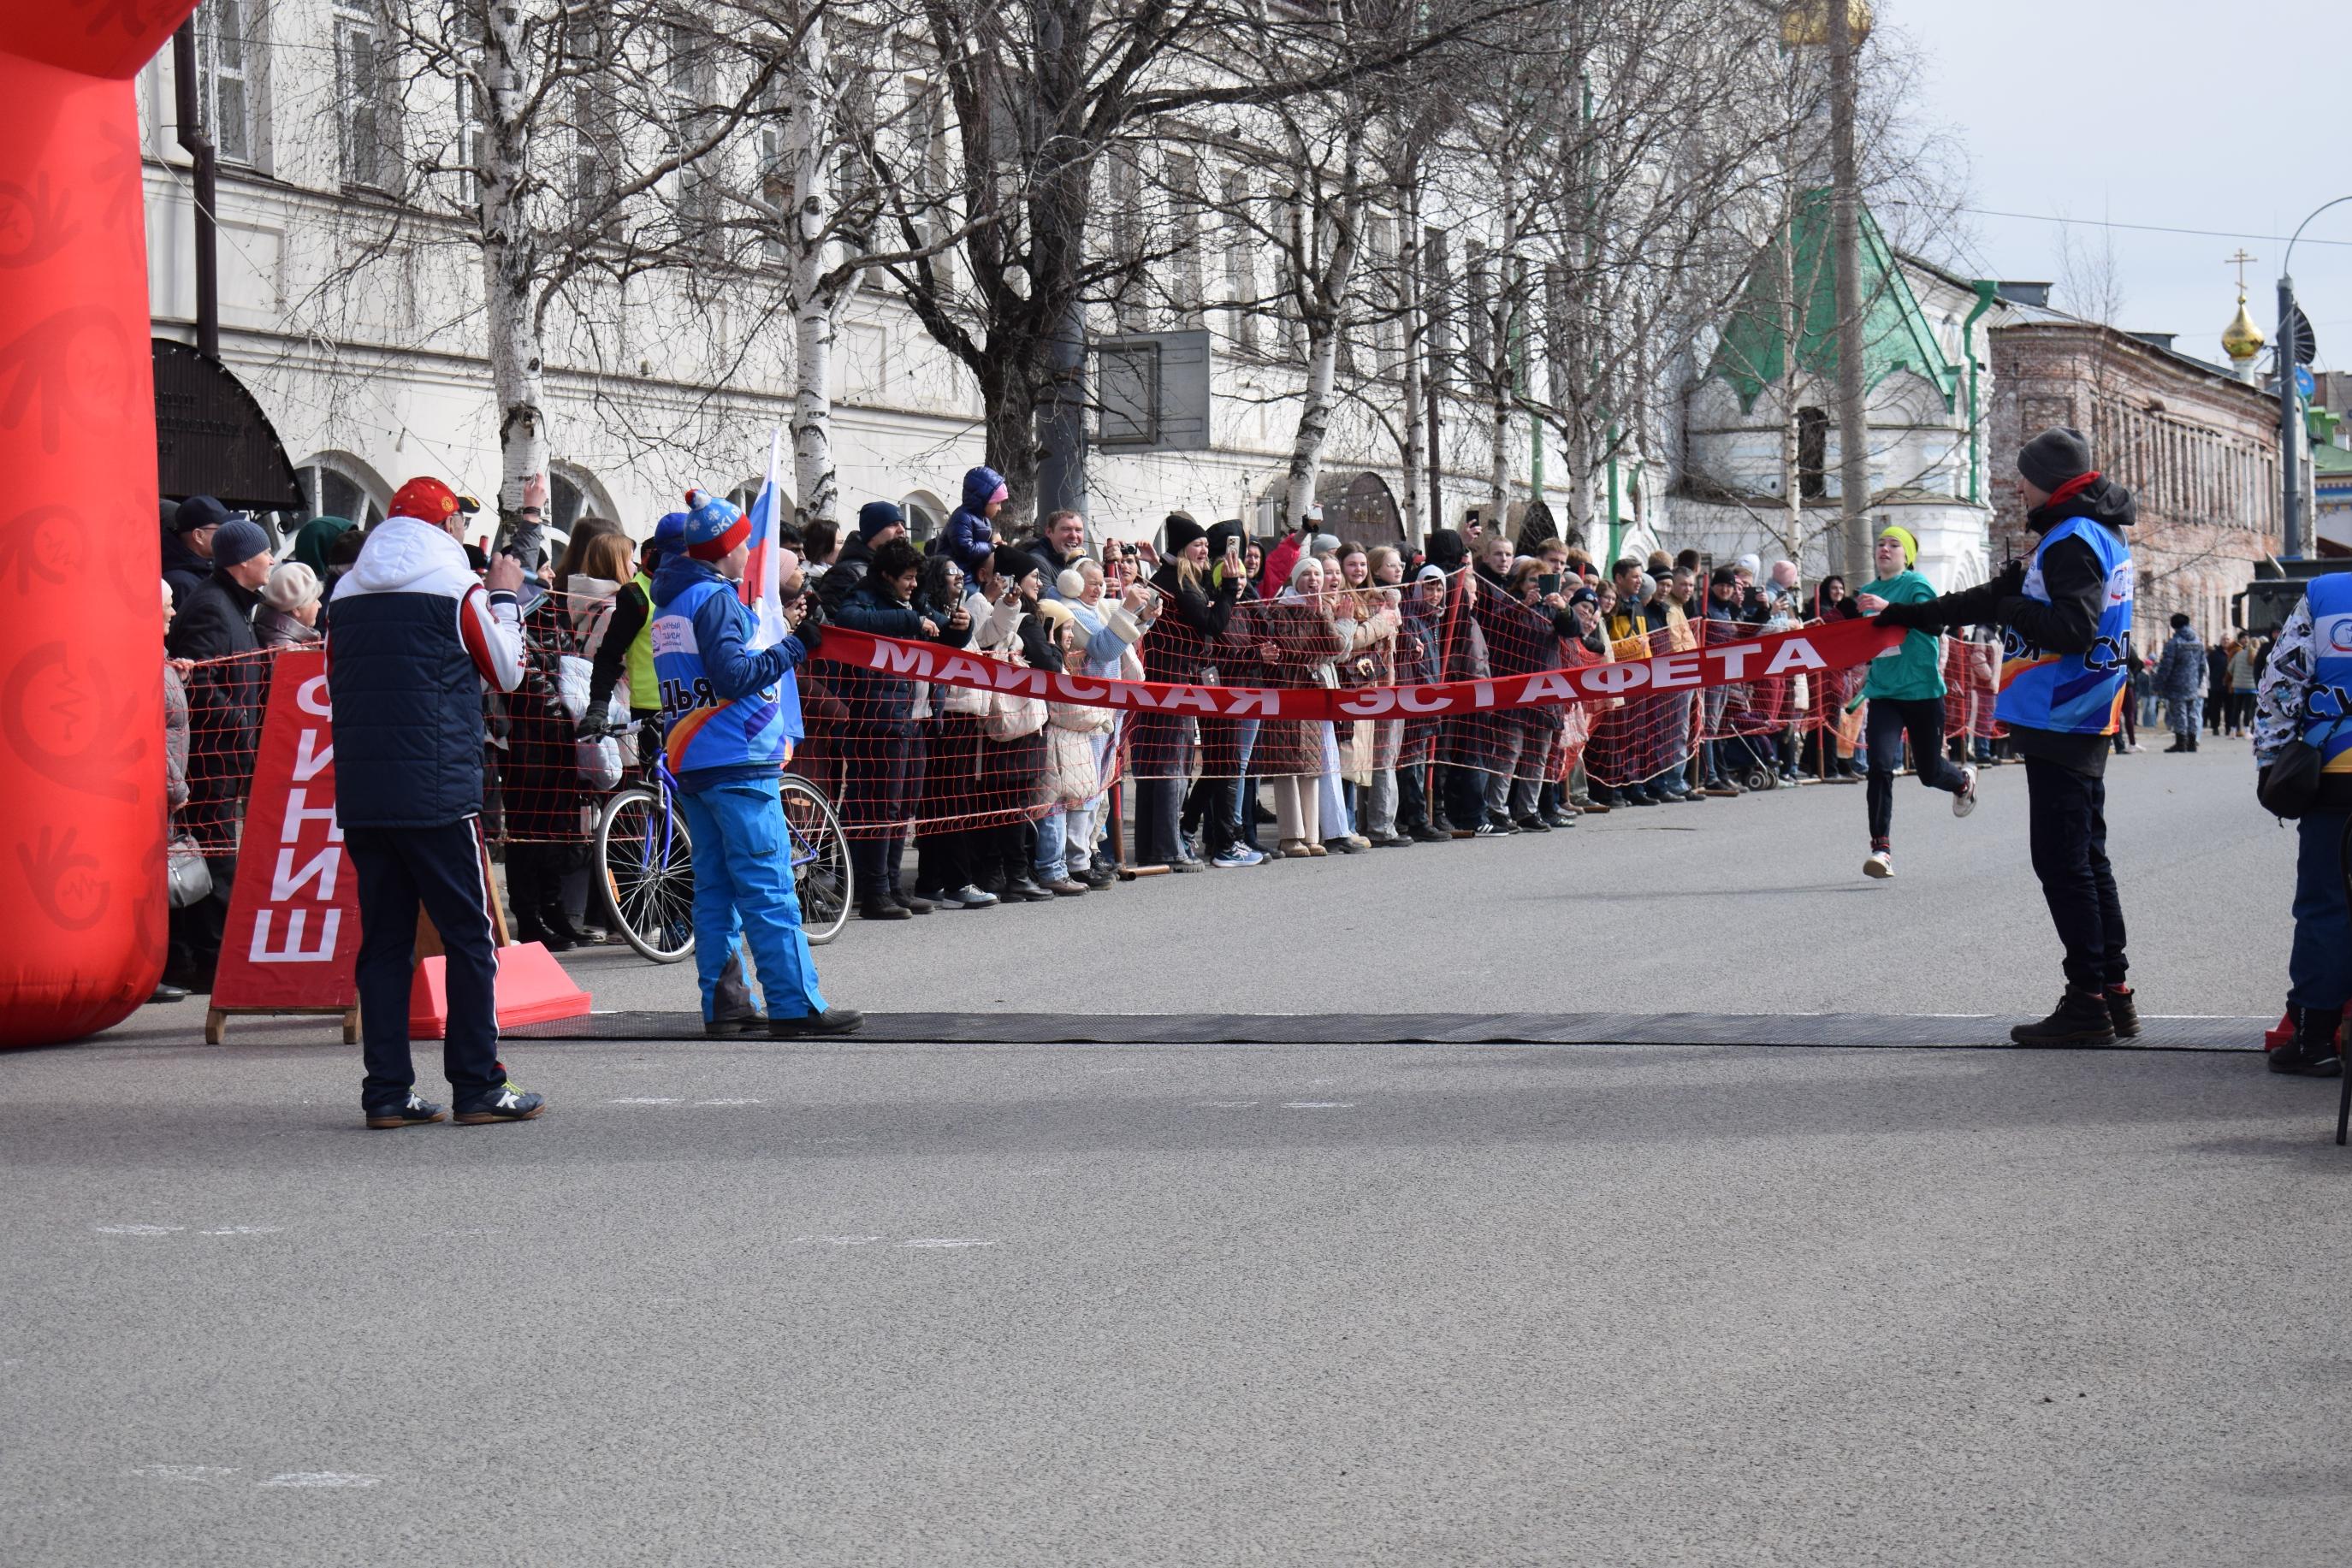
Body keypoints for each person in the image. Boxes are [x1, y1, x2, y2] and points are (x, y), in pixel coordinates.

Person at [1871, 427, 2136, 1044]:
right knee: (2087, 858)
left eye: (2022, 475)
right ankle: (2112, 992)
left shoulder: (2070, 538)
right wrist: (1914, 615)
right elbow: (1996, 595)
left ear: (2046, 478)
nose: (2017, 485)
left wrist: (2009, 608)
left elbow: (2069, 626)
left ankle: (2086, 1003)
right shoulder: (2092, 529)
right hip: (2081, 711)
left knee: (2064, 862)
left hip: (2061, 713)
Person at [326, 476, 542, 1127]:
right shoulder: (457, 588)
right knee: (469, 937)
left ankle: (387, 1091)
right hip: (441, 791)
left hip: (366, 793)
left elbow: (335, 680)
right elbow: (507, 671)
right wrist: (505, 595)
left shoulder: (344, 592)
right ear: (446, 528)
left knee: (385, 943)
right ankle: (478, 1083)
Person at [650, 494, 862, 1038]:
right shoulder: (715, 599)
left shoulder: (672, 601)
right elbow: (733, 675)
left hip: (694, 760)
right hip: (737, 761)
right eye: (743, 541)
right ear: (726, 549)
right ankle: (796, 1005)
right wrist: (794, 648)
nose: (750, 549)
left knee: (716, 890)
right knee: (769, 887)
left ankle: (726, 1006)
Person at [829, 535, 971, 918]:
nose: (913, 584)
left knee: (904, 806)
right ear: (886, 575)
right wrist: (911, 619)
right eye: (907, 578)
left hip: (917, 718)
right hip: (880, 719)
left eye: (915, 578)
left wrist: (961, 627)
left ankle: (893, 886)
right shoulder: (864, 598)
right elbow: (848, 622)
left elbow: (946, 636)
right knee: (879, 807)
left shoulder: (915, 602)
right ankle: (873, 891)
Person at [163, 514, 274, 990]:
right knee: (213, 856)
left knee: (217, 854)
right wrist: (241, 726)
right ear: (245, 560)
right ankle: (211, 961)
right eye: (266, 552)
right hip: (212, 759)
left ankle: (207, 957)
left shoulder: (234, 603)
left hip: (224, 756)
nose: (272, 559)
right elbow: (202, 682)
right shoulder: (213, 606)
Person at [2249, 577, 2352, 1078]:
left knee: (2328, 908)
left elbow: (2281, 683)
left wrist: (2272, 762)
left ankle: (2314, 1040)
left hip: (2338, 779)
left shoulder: (2329, 593)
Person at [1851, 526, 1978, 879]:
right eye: (1880, 543)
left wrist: (1889, 608)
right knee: (1879, 765)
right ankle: (1881, 849)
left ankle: (1962, 782)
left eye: (1894, 545)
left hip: (1923, 693)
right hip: (1885, 694)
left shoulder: (1916, 585)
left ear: (1906, 556)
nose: (1885, 549)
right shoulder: (1867, 593)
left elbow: (1934, 625)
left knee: (1929, 772)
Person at [162, 494, 232, 609]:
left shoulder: (206, 571)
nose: (229, 535)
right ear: (199, 536)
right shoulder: (181, 584)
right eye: (222, 529)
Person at [944, 465, 1007, 578]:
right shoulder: (962, 517)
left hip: (971, 573)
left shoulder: (984, 520)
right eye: (997, 503)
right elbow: (966, 548)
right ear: (984, 499)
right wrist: (991, 547)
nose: (1000, 508)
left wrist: (995, 545)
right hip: (957, 575)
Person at [2154, 612, 2205, 751]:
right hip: (2193, 683)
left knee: (2179, 713)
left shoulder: (2174, 643)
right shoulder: (2198, 642)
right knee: (2192, 713)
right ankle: (2192, 742)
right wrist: (2198, 681)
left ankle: (2181, 743)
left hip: (2176, 683)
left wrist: (2158, 684)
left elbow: (2166, 666)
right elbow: (2202, 666)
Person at [255, 561, 323, 648]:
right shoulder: (290, 650)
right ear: (296, 609)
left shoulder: (270, 632)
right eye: (314, 600)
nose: (320, 605)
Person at [2227, 634, 2260, 736]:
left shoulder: (2238, 654)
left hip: (2238, 686)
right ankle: (2247, 730)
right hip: (2251, 687)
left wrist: (2237, 677)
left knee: (2236, 709)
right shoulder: (2256, 656)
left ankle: (2232, 730)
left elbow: (2230, 669)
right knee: (2248, 709)